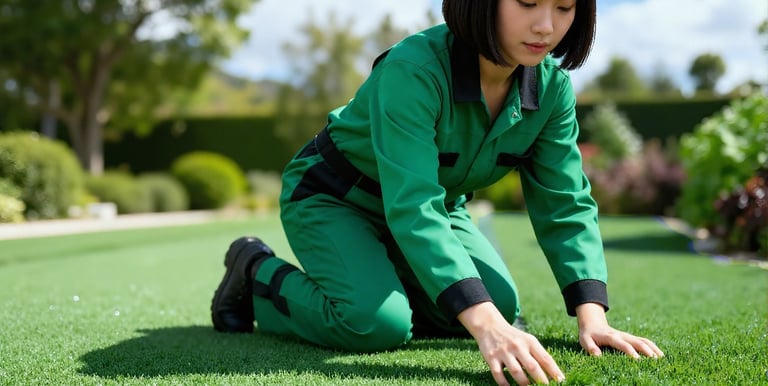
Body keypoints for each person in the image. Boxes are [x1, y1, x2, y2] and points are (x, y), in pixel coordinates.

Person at [211, 0, 664, 384]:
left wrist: (593, 316)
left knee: (500, 304)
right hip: (335, 198)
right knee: (377, 324)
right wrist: (483, 324)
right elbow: (412, 203)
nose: (547, 25)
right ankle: (256, 275)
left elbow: (564, 202)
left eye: (565, 7)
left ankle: (387, 280)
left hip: (438, 208)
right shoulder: (413, 70)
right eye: (528, 3)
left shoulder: (553, 91)